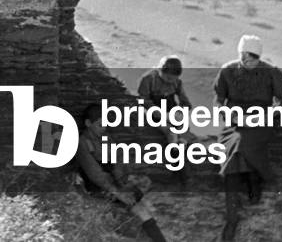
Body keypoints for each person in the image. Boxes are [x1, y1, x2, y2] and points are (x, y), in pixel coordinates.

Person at [212, 34, 282, 241]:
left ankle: (253, 181)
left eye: (252, 57)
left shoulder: (271, 72)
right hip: (234, 122)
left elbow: (281, 100)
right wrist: (229, 115)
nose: (247, 60)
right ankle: (232, 213)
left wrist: (268, 115)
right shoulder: (227, 70)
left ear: (259, 57)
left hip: (261, 121)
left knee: (243, 144)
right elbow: (219, 101)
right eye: (243, 56)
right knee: (234, 145)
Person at [74, 104, 168, 242]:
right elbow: (95, 174)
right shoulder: (82, 143)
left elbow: (118, 159)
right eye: (100, 125)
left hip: (114, 180)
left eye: (105, 124)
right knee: (140, 210)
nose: (104, 128)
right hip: (98, 186)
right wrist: (117, 192)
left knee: (138, 198)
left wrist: (122, 181)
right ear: (88, 123)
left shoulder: (106, 137)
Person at [137, 55, 193, 184]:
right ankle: (179, 170)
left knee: (184, 136)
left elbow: (186, 103)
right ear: (161, 70)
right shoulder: (148, 79)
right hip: (153, 113)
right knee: (171, 133)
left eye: (172, 79)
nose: (169, 82)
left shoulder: (177, 82)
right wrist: (158, 112)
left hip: (171, 112)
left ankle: (182, 169)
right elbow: (142, 100)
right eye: (167, 78)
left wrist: (180, 112)